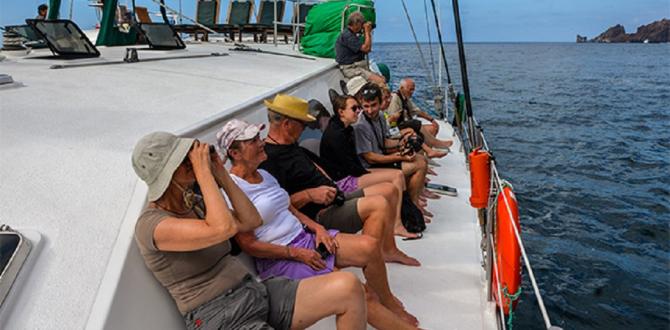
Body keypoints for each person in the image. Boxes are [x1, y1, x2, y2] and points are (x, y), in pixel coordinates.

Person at [131, 132, 366, 330]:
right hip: (222, 315)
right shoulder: (152, 225)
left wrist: (220, 173)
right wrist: (204, 174)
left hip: (253, 291)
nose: (192, 163)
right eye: (185, 161)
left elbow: (251, 219)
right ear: (167, 175)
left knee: (348, 287)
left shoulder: (194, 204)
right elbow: (222, 229)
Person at [216, 119, 419, 329]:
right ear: (235, 153)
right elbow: (249, 245)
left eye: (259, 138)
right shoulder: (231, 191)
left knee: (369, 246)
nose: (261, 143)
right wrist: (297, 254)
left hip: (306, 238)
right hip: (281, 258)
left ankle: (387, 303)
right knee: (359, 291)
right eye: (252, 141)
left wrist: (318, 229)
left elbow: (290, 209)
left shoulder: (265, 175)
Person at [259, 93, 420, 266]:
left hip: (334, 196)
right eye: (303, 124)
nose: (305, 128)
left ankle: (388, 250)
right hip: (318, 213)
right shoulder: (269, 160)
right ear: (287, 124)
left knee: (389, 190)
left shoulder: (291, 146)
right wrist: (309, 195)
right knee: (378, 204)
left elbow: (316, 168)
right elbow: (280, 206)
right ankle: (369, 257)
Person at [319, 91, 418, 238]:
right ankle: (396, 224)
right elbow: (350, 167)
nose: (359, 111)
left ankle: (402, 217)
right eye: (354, 109)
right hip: (343, 181)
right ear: (341, 112)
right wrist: (372, 174)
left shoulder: (346, 129)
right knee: (396, 176)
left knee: (396, 175)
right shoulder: (336, 135)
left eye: (358, 108)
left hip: (352, 173)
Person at [352, 83, 429, 207]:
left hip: (380, 157)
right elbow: (370, 157)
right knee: (419, 164)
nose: (370, 111)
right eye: (366, 106)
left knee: (420, 158)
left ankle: (413, 200)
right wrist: (400, 157)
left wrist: (402, 142)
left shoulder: (381, 116)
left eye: (373, 105)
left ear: (380, 102)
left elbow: (384, 142)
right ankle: (414, 206)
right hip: (370, 166)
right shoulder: (360, 126)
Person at [387, 78, 454, 150]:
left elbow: (416, 111)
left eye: (413, 90)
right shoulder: (395, 99)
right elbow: (392, 122)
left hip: (404, 125)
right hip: (396, 129)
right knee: (415, 124)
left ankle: (429, 151)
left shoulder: (405, 98)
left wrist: (431, 120)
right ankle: (436, 143)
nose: (412, 92)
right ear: (402, 88)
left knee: (433, 128)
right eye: (410, 90)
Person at [334, 12, 385, 85]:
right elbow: (366, 49)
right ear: (356, 24)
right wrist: (367, 32)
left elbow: (368, 49)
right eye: (361, 24)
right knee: (381, 82)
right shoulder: (347, 36)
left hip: (357, 66)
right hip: (351, 68)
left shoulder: (353, 35)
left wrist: (367, 32)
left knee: (382, 78)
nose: (362, 26)